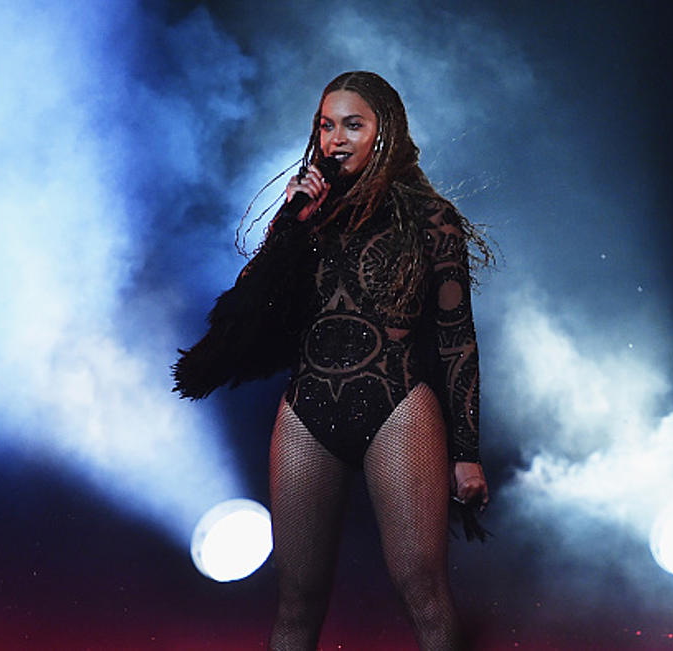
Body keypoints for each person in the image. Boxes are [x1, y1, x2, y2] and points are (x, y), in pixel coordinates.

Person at [174, 71, 490, 650]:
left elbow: (455, 336)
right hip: (308, 408)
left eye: (352, 125)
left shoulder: (430, 218)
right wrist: (292, 226)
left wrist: (467, 453)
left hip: (397, 404)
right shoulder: (304, 215)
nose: (335, 139)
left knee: (422, 588)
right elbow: (246, 308)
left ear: (384, 133)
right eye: (326, 125)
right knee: (296, 602)